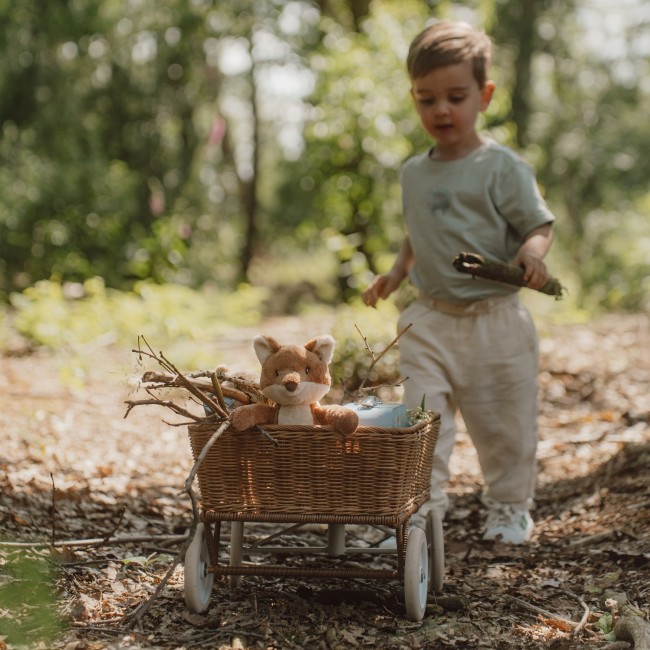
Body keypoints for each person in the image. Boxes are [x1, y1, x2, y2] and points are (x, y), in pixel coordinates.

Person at [362, 20, 555, 544]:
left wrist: (531, 255)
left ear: (484, 95)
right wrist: (395, 274)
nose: (441, 110)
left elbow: (538, 223)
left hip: (496, 322)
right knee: (423, 423)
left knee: (504, 427)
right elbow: (417, 232)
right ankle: (420, 512)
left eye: (455, 96)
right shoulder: (413, 173)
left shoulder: (501, 168)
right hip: (430, 319)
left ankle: (510, 506)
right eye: (427, 99)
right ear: (413, 98)